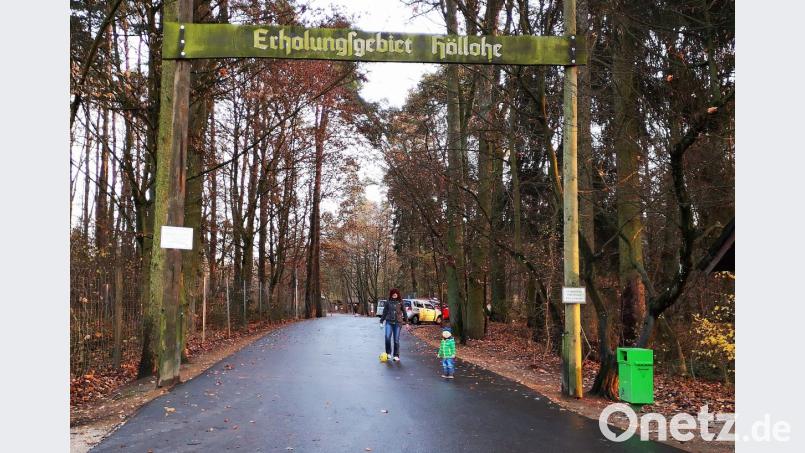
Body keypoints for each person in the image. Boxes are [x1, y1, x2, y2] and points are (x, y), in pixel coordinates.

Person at [379, 288, 406, 361]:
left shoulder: (400, 302)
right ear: (391, 294)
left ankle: (396, 355)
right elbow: (384, 312)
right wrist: (381, 321)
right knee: (387, 337)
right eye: (393, 293)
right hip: (389, 322)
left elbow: (404, 312)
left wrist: (406, 322)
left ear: (398, 294)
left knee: (396, 339)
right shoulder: (388, 302)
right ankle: (388, 353)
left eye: (396, 293)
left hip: (398, 323)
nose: (394, 294)